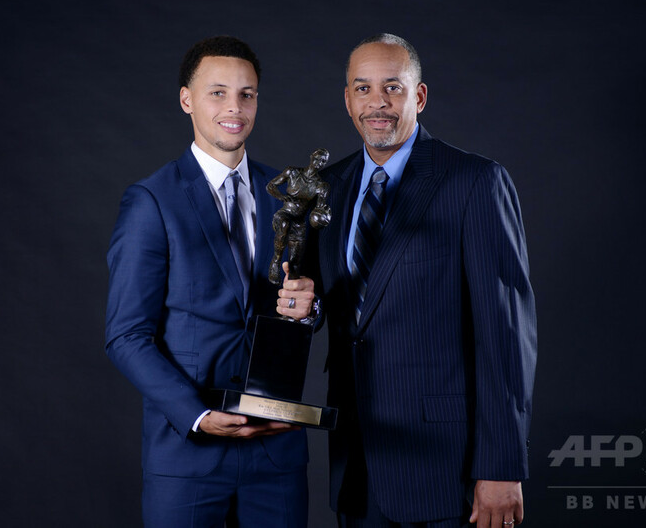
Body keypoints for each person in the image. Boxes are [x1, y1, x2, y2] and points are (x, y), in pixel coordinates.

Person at [309, 33, 538, 527]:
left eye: (392, 88)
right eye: (363, 88)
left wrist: (501, 467)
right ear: (347, 99)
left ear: (420, 95)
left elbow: (504, 336)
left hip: (445, 468)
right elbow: (330, 304)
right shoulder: (327, 188)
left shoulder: (473, 181)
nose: (377, 103)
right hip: (357, 465)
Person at [104, 36, 316, 527]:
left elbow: (304, 305)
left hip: (275, 454)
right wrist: (196, 415)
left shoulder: (287, 196)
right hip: (188, 452)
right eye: (217, 93)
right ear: (187, 100)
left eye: (247, 94)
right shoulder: (151, 201)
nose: (234, 108)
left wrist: (310, 307)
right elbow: (126, 335)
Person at [266, 148, 332, 285]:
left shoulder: (321, 186)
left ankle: (292, 293)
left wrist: (324, 217)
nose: (319, 163)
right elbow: (271, 186)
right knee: (284, 224)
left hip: (299, 223)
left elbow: (319, 209)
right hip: (284, 214)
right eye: (318, 158)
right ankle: (276, 261)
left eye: (323, 161)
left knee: (294, 266)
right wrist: (282, 197)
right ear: (312, 156)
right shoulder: (292, 172)